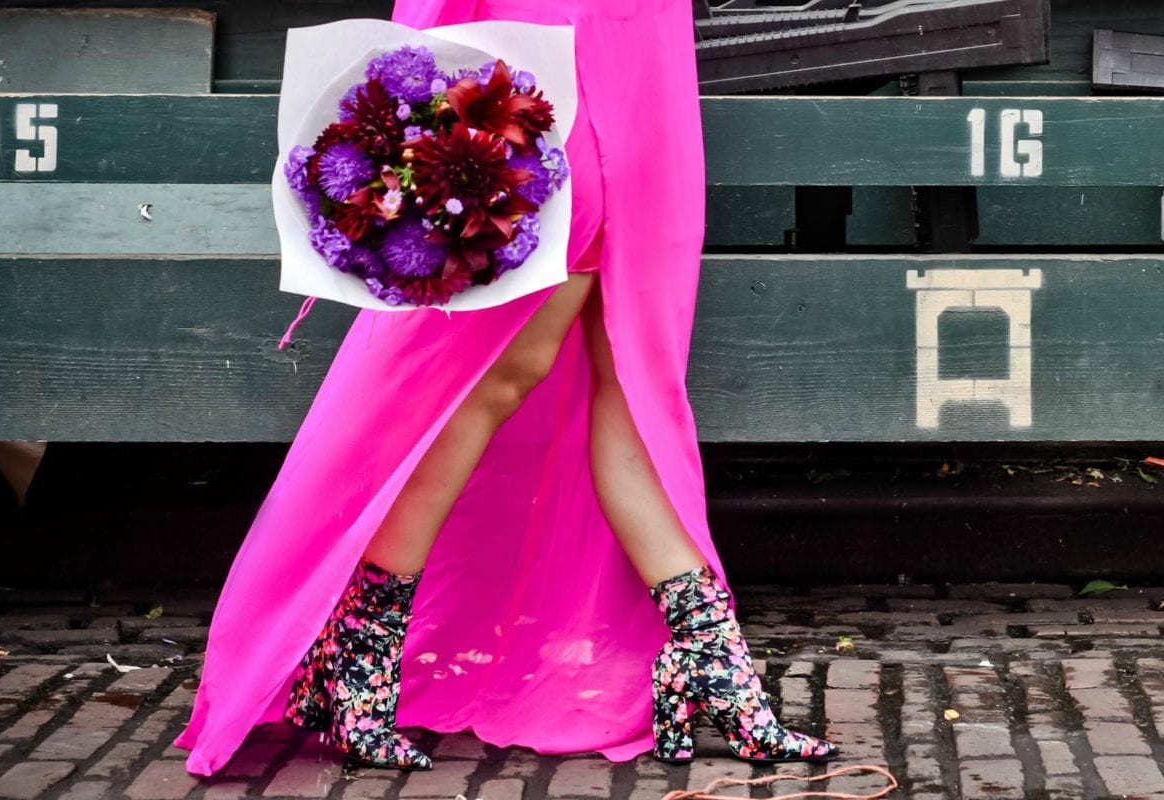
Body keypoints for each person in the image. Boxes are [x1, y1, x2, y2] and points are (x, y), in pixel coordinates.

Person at [174, 0, 839, 776]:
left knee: (631, 379)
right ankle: (357, 651)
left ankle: (711, 662)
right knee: (497, 373)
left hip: (641, 67)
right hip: (555, 62)